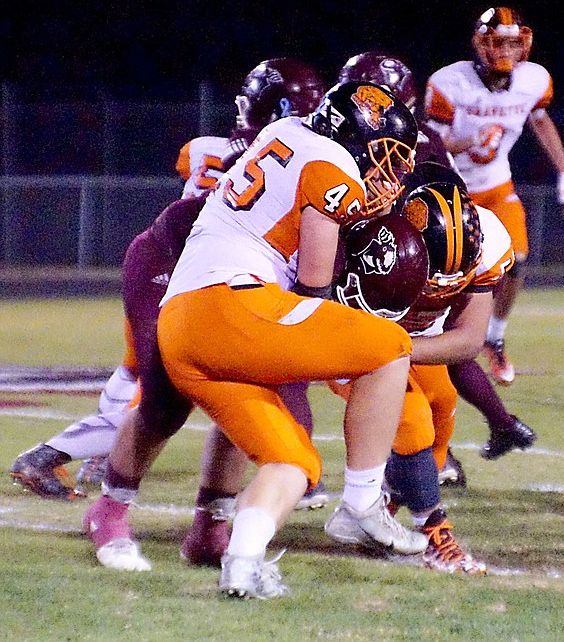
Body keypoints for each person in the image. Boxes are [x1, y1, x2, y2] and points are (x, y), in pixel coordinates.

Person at [82, 81, 428, 600]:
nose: (389, 174)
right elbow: (313, 284)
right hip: (233, 304)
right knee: (390, 345)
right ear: (353, 137)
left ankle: (234, 558)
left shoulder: (283, 131)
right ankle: (361, 504)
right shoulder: (333, 166)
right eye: (385, 156)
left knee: (293, 460)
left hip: (187, 319)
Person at [10, 57, 330, 511]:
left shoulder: (208, 148)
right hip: (183, 270)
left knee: (141, 374)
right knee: (169, 390)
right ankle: (59, 457)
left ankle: (87, 457)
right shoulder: (290, 155)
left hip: (182, 268)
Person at [338, 52, 536, 481]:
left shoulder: (422, 141)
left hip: (406, 267)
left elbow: (450, 206)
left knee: (440, 391)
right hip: (352, 275)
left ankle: (433, 465)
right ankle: (315, 477)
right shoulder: (332, 146)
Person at [327, 161, 514, 574]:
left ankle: (373, 507)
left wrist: (401, 347)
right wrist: (387, 348)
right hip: (354, 329)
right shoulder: (368, 237)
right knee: (411, 422)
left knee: (442, 403)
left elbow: (467, 339)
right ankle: (434, 533)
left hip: (408, 338)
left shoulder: (487, 240)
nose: (439, 287)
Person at [424, 6, 564, 386]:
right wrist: (470, 140)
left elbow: (540, 121)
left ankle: (493, 336)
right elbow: (430, 142)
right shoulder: (449, 82)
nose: (507, 51)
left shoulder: (534, 80)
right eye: (498, 42)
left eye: (514, 43)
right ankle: (432, 340)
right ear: (481, 44)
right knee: (440, 275)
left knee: (516, 262)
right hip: (450, 189)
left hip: (496, 187)